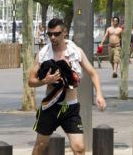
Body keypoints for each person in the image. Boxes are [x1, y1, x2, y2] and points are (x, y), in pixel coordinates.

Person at [28, 18, 106, 155]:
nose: (52, 37)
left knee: (79, 148)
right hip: (51, 106)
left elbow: (93, 73)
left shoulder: (76, 52)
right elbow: (31, 81)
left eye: (56, 34)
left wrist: (99, 95)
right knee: (40, 146)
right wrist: (45, 81)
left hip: (70, 108)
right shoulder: (43, 54)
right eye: (49, 34)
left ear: (64, 32)